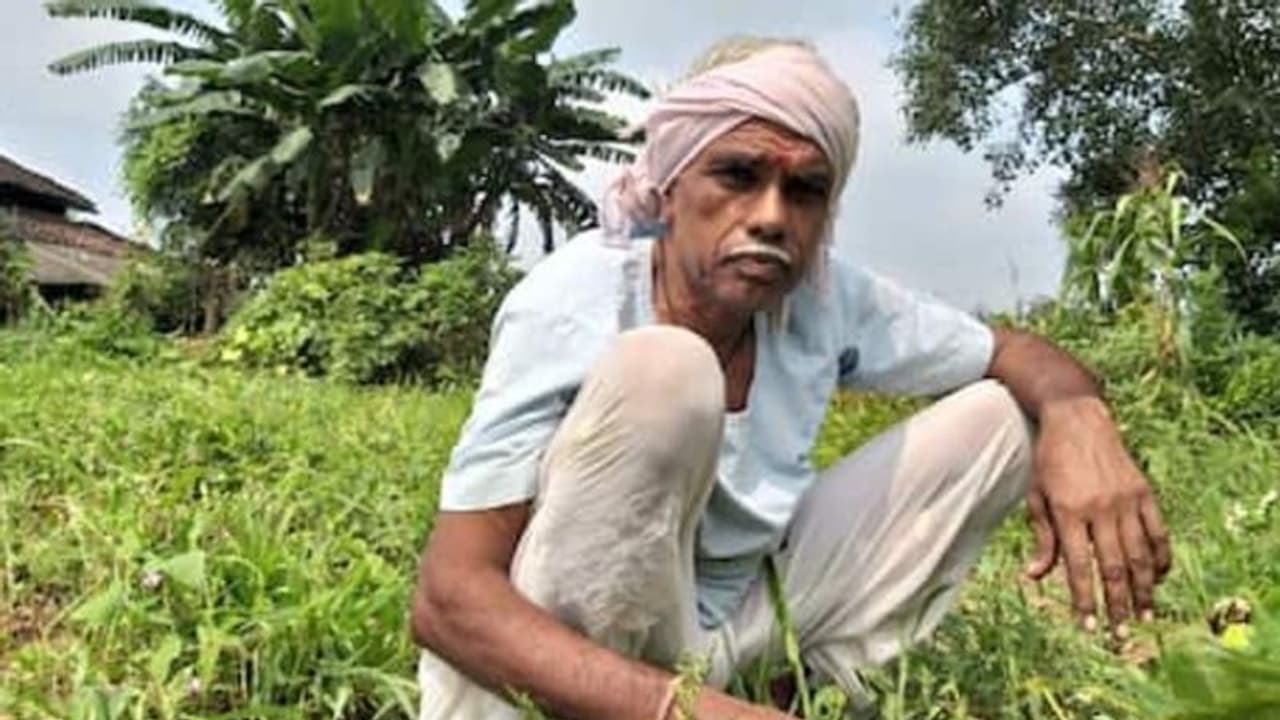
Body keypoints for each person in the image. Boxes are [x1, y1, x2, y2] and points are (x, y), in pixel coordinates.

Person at [408, 37, 1172, 720]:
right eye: (737, 175)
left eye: (804, 190)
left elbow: (1015, 353)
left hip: (713, 639)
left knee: (1006, 418)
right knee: (667, 369)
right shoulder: (575, 298)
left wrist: (1079, 417)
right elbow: (448, 600)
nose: (771, 216)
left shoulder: (821, 299)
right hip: (526, 674)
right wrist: (678, 710)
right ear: (669, 186)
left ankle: (806, 692)